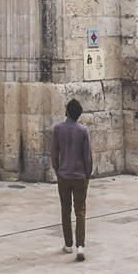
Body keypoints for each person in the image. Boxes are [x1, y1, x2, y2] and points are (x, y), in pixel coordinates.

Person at [50, 97, 93, 261]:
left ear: (67, 112)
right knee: (80, 210)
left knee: (65, 209)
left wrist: (57, 169)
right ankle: (80, 245)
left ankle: (68, 244)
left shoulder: (58, 129)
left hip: (64, 175)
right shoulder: (83, 131)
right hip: (80, 175)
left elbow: (54, 153)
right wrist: (88, 174)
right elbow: (87, 156)